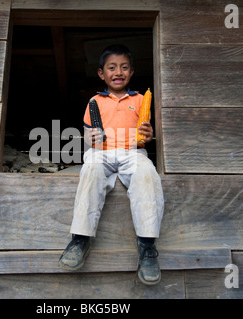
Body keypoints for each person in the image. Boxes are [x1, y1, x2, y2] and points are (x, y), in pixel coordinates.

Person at [58, 44, 164, 285]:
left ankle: (147, 247)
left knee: (148, 174)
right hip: (102, 152)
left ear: (132, 72)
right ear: (101, 73)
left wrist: (148, 135)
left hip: (132, 152)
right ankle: (80, 239)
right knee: (90, 169)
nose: (118, 72)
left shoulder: (139, 99)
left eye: (124, 67)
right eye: (112, 68)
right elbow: (88, 134)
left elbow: (146, 132)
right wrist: (92, 138)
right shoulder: (94, 101)